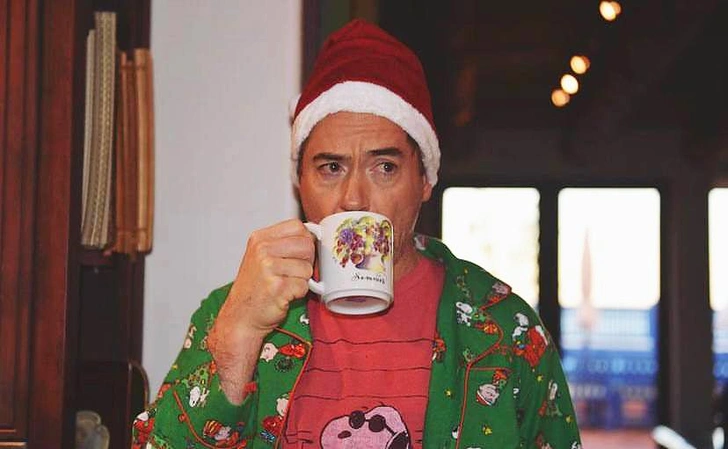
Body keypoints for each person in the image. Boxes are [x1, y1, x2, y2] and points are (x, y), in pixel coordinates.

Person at [132, 19, 582, 449]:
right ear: (299, 183)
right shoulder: (234, 312)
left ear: (425, 180)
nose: (353, 199)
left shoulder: (504, 329)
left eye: (384, 167)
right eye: (331, 167)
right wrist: (238, 336)